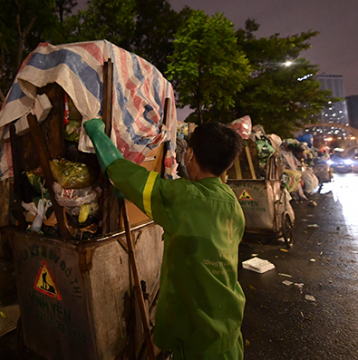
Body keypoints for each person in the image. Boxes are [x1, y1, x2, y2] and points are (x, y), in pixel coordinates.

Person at [84, 119, 246, 360]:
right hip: (228, 332)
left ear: (189, 154)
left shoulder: (183, 198)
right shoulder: (231, 201)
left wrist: (96, 132)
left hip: (196, 338)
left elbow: (120, 170)